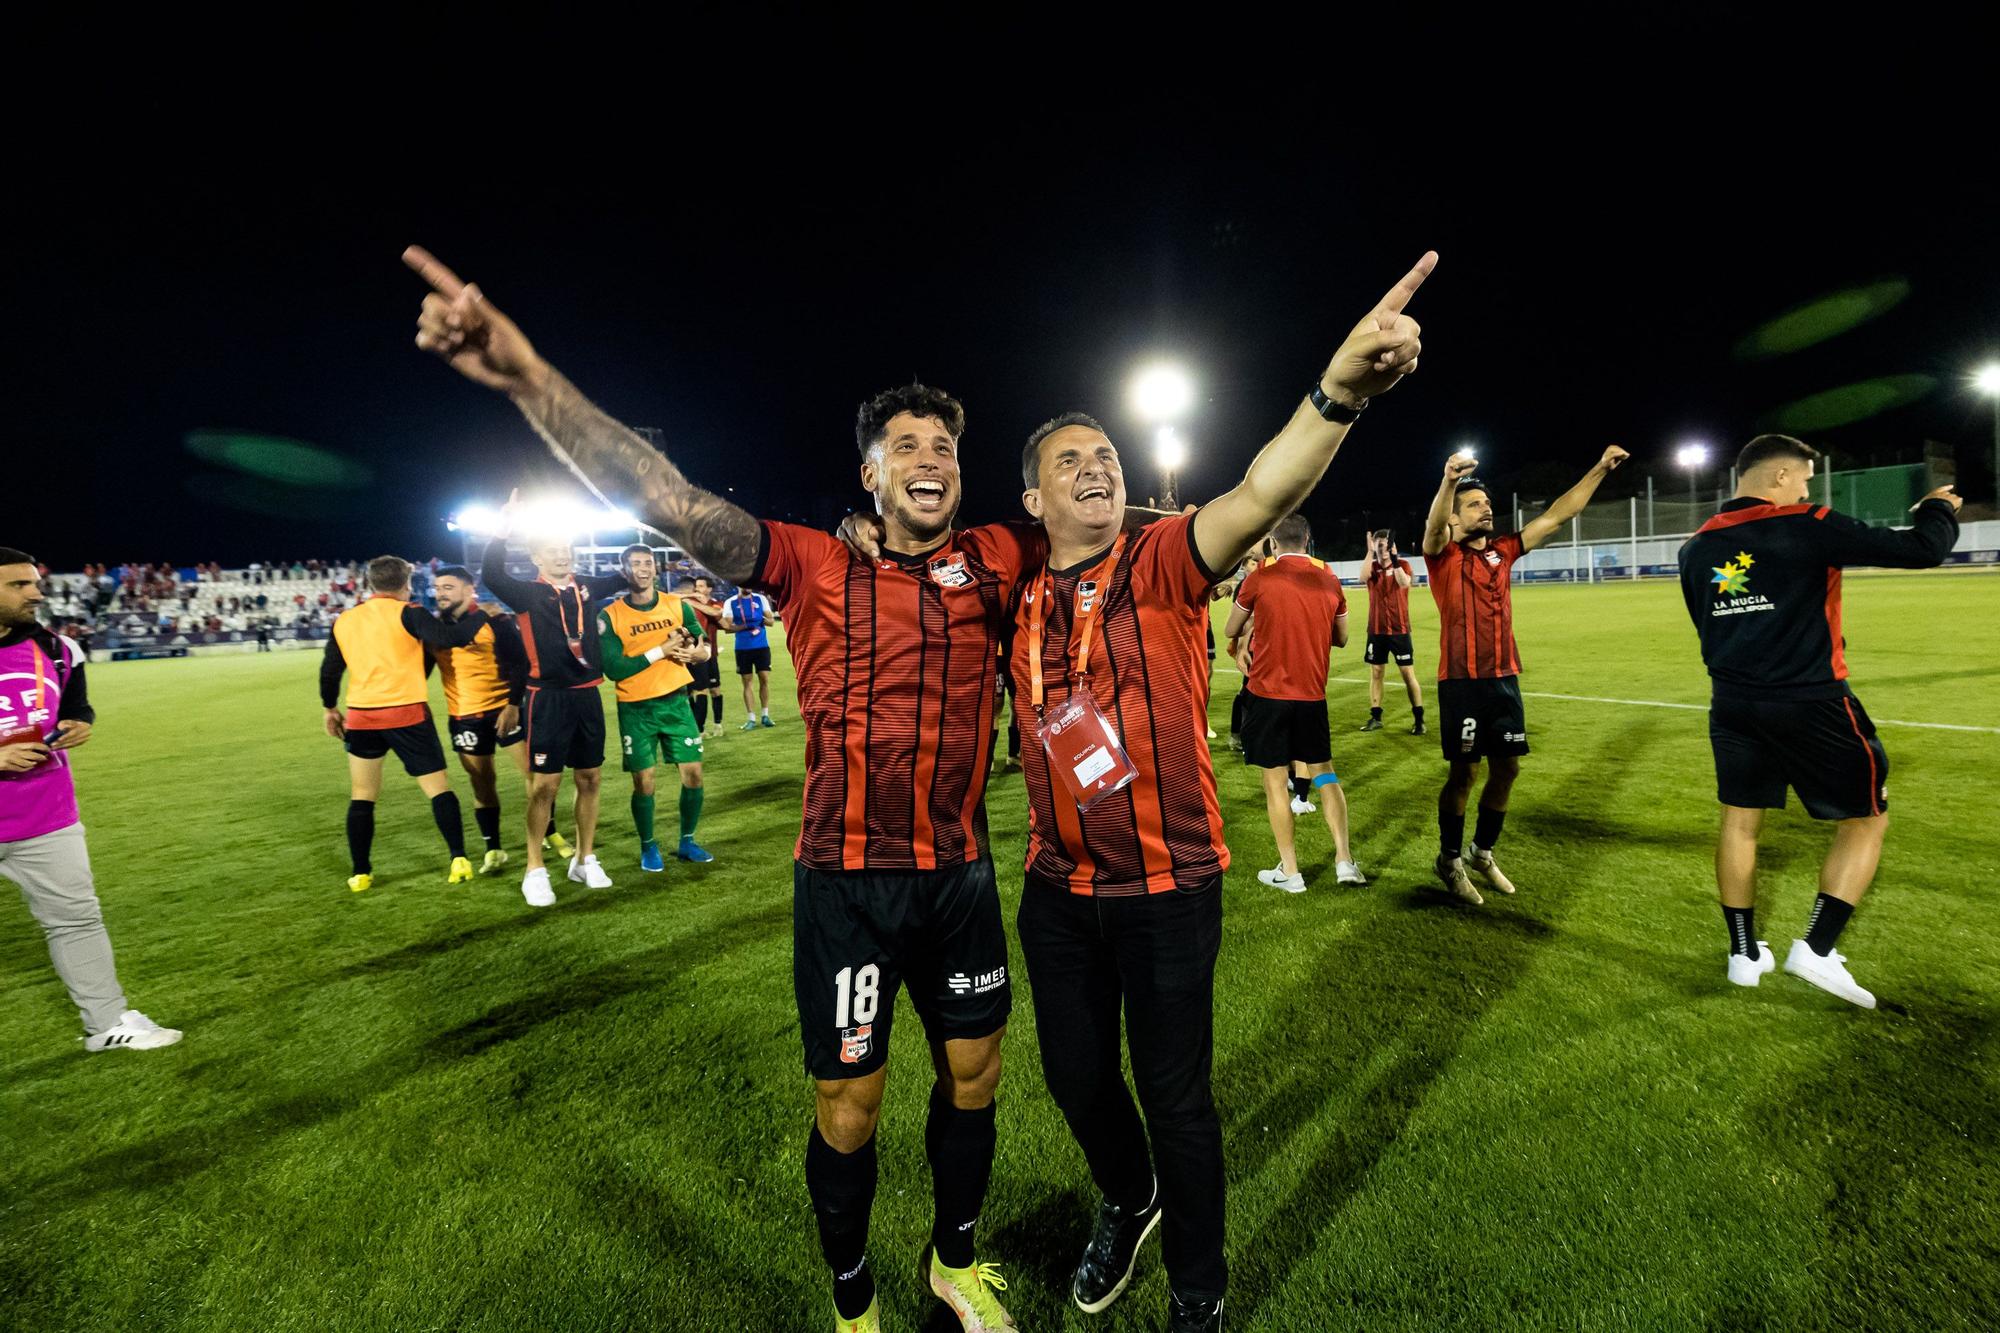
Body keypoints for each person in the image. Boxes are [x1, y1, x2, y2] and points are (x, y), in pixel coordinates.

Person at [406, 245, 1031, 1333]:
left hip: (962, 878)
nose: (930, 455)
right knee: (851, 1103)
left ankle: (953, 1262)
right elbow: (661, 496)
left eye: (944, 444)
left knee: (974, 1077)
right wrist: (523, 378)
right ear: (870, 477)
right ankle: (851, 1303)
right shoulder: (805, 562)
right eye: (905, 445)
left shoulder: (997, 558)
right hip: (845, 885)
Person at [1008, 253, 1433, 1332]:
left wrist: (1335, 393)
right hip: (1056, 889)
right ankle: (1129, 1193)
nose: (1097, 467)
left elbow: (1262, 489)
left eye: (1104, 454)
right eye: (1072, 461)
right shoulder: (1011, 596)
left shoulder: (1160, 559)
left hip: (1164, 884)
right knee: (1070, 1078)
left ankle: (1197, 1289)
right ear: (1032, 497)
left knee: (1177, 1097)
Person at [1677, 435, 1960, 1006]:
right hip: (1811, 699)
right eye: (1804, 477)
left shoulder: (1694, 547)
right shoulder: (1806, 521)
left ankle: (1743, 954)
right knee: (1867, 817)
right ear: (1779, 477)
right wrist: (1938, 508)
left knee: (1739, 821)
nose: (1808, 488)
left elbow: (1711, 627)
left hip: (1732, 703)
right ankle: (1817, 950)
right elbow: (1923, 549)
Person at [1420, 445, 1628, 905]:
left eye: (1487, 503)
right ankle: (1449, 859)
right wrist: (1450, 481)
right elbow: (1434, 528)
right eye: (1474, 505)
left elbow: (1557, 515)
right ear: (1455, 519)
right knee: (1464, 774)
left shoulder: (1504, 551)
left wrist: (1598, 469)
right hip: (1462, 682)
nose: (1486, 508)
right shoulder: (1442, 556)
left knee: (1508, 767)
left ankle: (1482, 851)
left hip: (1503, 679)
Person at [0, 548, 182, 1052]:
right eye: (18, 585)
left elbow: (76, 707)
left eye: (35, 582)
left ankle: (105, 1025)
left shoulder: (59, 649)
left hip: (45, 816)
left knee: (76, 921)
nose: (35, 592)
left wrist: (82, 723)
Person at [479, 495, 631, 906]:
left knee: (591, 779)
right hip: (547, 699)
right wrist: (503, 523)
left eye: (566, 550)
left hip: (587, 698)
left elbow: (629, 576)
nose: (562, 556)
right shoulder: (526, 593)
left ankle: (585, 858)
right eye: (553, 551)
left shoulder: (587, 587)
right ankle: (534, 869)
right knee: (545, 786)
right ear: (536, 557)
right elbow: (490, 571)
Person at [320, 556, 488, 892]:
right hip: (406, 714)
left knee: (363, 795)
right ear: (406, 584)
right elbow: (449, 638)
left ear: (370, 584)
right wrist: (481, 614)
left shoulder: (345, 620)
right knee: (438, 790)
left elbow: (330, 669)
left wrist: (330, 708)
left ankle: (361, 872)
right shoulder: (409, 612)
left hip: (362, 716)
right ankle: (458, 858)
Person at [1222, 513, 1365, 891]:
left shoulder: (1260, 577)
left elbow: (1231, 629)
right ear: (1308, 541)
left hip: (1267, 696)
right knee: (1327, 776)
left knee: (1273, 783)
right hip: (1311, 697)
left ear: (1271, 542)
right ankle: (1345, 861)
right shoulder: (1329, 577)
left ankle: (1290, 871)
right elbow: (1343, 637)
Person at [598, 544, 714, 871]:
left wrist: (698, 654)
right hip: (636, 709)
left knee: (693, 775)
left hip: (676, 702)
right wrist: (661, 650)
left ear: (655, 568)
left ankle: (687, 841)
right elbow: (615, 669)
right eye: (634, 564)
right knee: (644, 782)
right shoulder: (610, 615)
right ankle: (648, 846)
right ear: (624, 571)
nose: (642, 568)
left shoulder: (676, 605)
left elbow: (700, 642)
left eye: (647, 563)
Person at [429, 565, 533, 874]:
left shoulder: (497, 621)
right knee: (482, 784)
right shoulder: (435, 630)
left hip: (504, 710)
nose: (440, 593)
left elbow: (521, 663)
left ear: (467, 588)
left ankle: (548, 833)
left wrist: (513, 704)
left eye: (448, 587)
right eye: (437, 588)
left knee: (534, 773)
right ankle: (493, 849)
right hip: (464, 717)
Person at [1359, 528, 1424, 733]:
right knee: (1376, 672)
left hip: (1399, 630)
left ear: (1392, 547)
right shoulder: (1373, 567)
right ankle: (1375, 717)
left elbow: (1404, 583)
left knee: (1407, 673)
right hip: (1376, 630)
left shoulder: (1402, 565)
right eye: (1379, 546)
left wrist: (1395, 560)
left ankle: (1419, 719)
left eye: (1385, 545)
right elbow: (1362, 578)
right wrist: (1370, 552)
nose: (1383, 549)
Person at [680, 574, 729, 737]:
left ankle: (718, 724)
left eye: (701, 586)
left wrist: (694, 601)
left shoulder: (715, 604)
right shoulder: (687, 605)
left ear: (709, 589)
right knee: (696, 691)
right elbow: (668, 596)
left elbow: (717, 614)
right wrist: (691, 598)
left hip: (711, 654)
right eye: (696, 586)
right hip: (693, 654)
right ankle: (698, 729)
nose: (697, 589)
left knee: (715, 690)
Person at [723, 584, 777, 728]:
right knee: (747, 682)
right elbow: (727, 628)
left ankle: (765, 715)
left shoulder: (760, 599)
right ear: (738, 586)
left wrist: (761, 619)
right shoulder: (731, 602)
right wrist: (744, 626)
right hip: (743, 648)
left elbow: (771, 621)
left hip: (762, 646)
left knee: (764, 679)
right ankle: (751, 718)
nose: (748, 587)